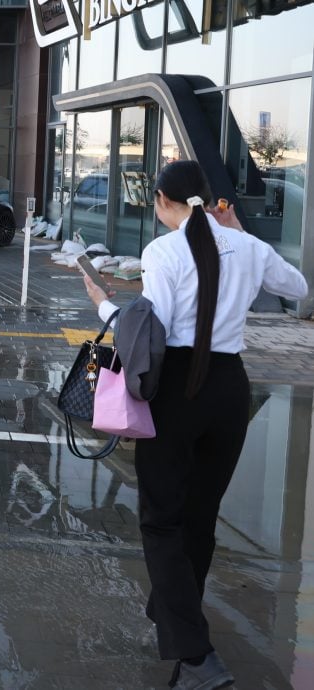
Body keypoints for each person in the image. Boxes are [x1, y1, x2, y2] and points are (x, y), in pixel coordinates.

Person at [82, 160, 307, 689]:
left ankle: (197, 656)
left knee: (161, 521)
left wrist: (104, 307)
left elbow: (150, 328)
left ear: (162, 200)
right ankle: (171, 612)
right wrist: (240, 235)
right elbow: (297, 287)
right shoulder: (247, 247)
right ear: (210, 200)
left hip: (178, 390)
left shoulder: (163, 252)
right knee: (199, 517)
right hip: (229, 388)